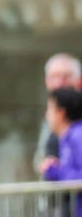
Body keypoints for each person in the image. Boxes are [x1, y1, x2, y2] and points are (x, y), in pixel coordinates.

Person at [39, 87, 82, 216]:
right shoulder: (67, 138)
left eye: (50, 109)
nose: (47, 115)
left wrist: (54, 170)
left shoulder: (78, 135)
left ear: (61, 112)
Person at [37, 54, 82, 173]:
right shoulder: (49, 117)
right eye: (54, 77)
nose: (59, 83)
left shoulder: (77, 132)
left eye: (66, 77)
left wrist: (57, 172)